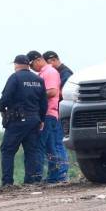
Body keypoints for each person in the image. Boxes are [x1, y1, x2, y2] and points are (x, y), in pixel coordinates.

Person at [0, 54, 47, 186]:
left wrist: (1, 108)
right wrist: (41, 119)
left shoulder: (15, 78)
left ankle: (7, 182)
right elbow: (44, 103)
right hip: (34, 120)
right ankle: (29, 181)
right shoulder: (38, 80)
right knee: (31, 151)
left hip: (18, 120)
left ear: (16, 64)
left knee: (7, 150)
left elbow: (6, 97)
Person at [27, 50, 69, 183]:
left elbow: (52, 92)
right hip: (49, 113)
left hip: (49, 113)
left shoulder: (49, 72)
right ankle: (55, 175)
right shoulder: (44, 73)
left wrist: (34, 95)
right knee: (51, 146)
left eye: (32, 65)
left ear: (38, 60)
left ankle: (59, 175)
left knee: (51, 145)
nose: (32, 69)